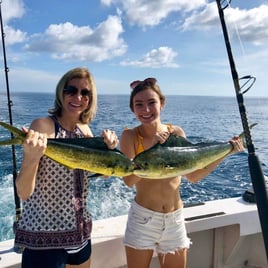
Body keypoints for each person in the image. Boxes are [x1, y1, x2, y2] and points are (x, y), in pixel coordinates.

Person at [120, 78, 245, 268]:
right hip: (143, 220)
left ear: (162, 103)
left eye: (151, 103)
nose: (146, 110)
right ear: (133, 109)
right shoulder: (129, 136)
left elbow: (193, 175)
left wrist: (228, 151)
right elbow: (128, 180)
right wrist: (154, 150)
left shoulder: (176, 132)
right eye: (139, 105)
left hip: (174, 219)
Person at [14, 67, 119, 268]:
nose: (78, 97)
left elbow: (103, 174)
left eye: (85, 93)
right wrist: (31, 157)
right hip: (45, 240)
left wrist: (110, 151)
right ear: (61, 93)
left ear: (90, 98)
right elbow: (24, 192)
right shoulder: (43, 126)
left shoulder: (85, 131)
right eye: (71, 90)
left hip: (81, 235)